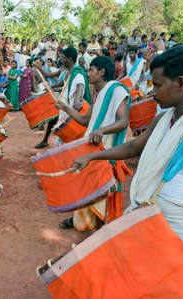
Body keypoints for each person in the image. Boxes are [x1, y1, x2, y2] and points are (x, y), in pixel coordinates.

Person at [71, 45, 183, 299]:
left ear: (181, 83)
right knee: (134, 284)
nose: (152, 92)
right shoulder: (165, 117)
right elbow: (135, 146)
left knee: (161, 289)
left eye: (157, 85)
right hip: (143, 218)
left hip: (179, 232)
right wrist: (93, 155)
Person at [55, 56, 130, 230]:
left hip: (106, 149)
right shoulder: (99, 94)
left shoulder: (116, 90)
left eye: (91, 70)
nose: (88, 73)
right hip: (93, 146)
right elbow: (84, 120)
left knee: (100, 187)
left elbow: (123, 121)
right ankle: (82, 221)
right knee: (86, 184)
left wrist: (102, 131)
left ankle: (100, 226)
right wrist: (66, 108)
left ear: (101, 72)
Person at [35, 47, 92, 148]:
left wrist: (78, 101)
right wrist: (50, 87)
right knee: (65, 141)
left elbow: (80, 85)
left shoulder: (78, 74)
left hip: (71, 113)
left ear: (69, 59)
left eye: (63, 58)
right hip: (64, 110)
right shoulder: (66, 72)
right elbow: (62, 85)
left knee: (70, 142)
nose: (61, 60)